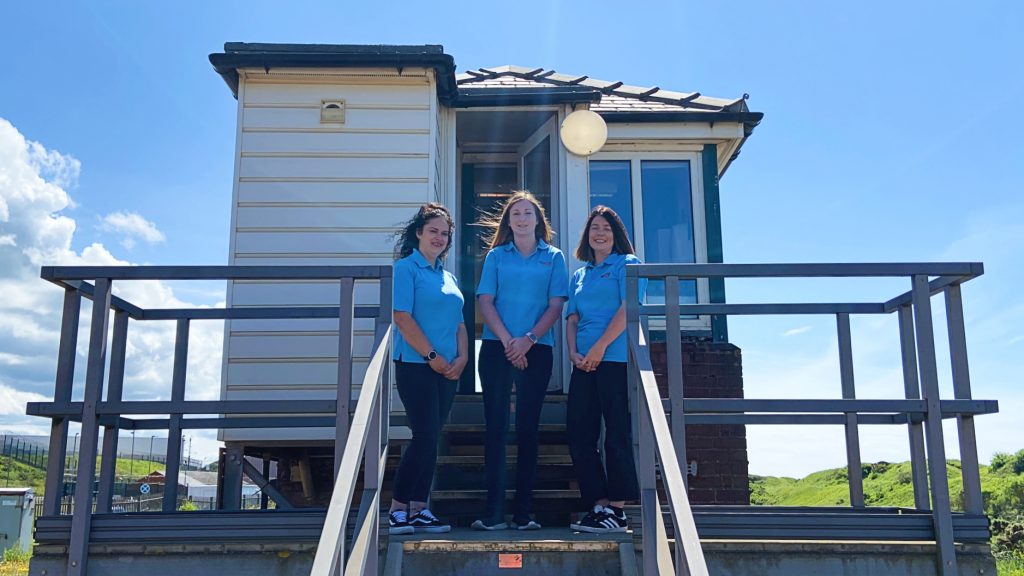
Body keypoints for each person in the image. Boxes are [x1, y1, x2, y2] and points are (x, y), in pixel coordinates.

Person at [471, 191, 569, 531]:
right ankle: (493, 514)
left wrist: (527, 340)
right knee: (496, 429)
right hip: (498, 348)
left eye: (528, 213)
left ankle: (523, 513)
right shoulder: (497, 256)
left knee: (528, 429)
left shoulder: (553, 257)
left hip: (537, 348)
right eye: (516, 214)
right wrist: (509, 342)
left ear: (538, 220)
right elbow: (486, 301)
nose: (522, 219)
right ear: (508, 222)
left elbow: (555, 306)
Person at [387, 203, 468, 535]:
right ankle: (397, 509)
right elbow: (402, 318)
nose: (439, 238)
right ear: (419, 233)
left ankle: (420, 509)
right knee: (423, 436)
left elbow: (460, 321)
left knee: (433, 437)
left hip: (449, 369)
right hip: (416, 365)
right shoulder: (406, 269)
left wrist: (463, 358)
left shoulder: (448, 276)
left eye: (444, 234)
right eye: (433, 231)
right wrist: (432, 355)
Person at [565, 205, 644, 534]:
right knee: (579, 434)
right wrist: (573, 351)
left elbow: (628, 309)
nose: (600, 233)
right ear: (587, 236)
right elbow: (571, 318)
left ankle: (618, 508)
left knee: (616, 433)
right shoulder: (579, 275)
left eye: (607, 229)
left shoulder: (627, 264)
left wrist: (598, 347)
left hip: (612, 360)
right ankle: (598, 506)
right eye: (594, 228)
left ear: (617, 236)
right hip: (582, 363)